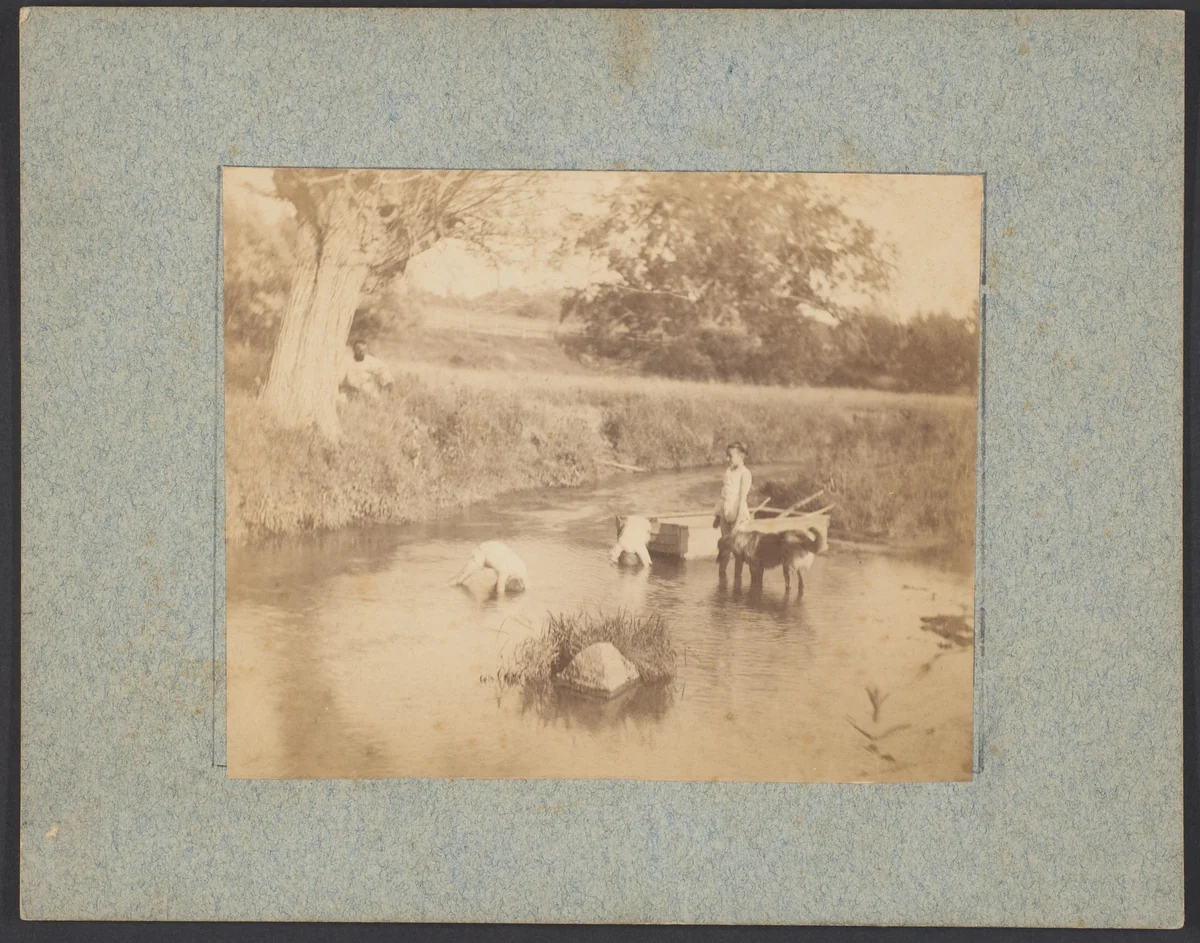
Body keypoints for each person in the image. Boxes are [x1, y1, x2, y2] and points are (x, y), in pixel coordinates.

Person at [713, 441, 753, 540]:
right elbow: (724, 495)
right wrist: (718, 516)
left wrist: (737, 522)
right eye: (727, 456)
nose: (727, 459)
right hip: (725, 513)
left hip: (738, 514)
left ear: (741, 456)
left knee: (737, 545)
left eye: (730, 456)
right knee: (725, 544)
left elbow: (742, 499)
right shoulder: (729, 471)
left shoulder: (745, 473)